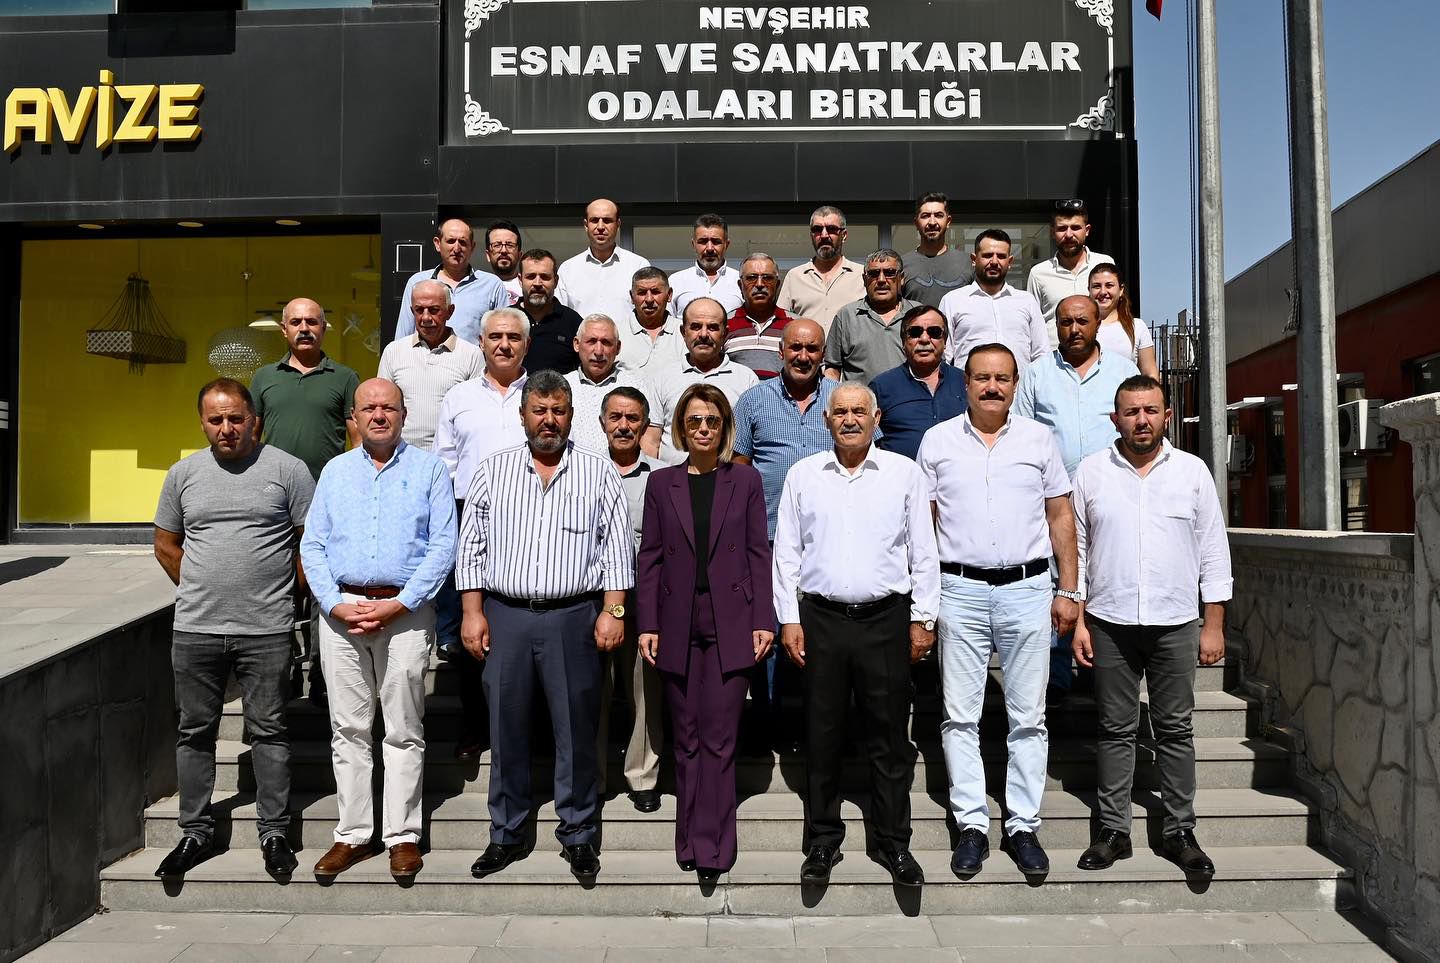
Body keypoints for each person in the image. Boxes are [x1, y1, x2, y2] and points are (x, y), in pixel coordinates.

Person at [458, 371, 633, 883]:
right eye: (540, 410)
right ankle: (506, 832)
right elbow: (471, 548)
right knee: (506, 728)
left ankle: (578, 834)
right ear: (523, 416)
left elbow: (616, 548)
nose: (549, 420)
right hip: (506, 615)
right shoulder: (492, 471)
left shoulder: (598, 472)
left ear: (572, 415)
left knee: (576, 731)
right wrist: (472, 612)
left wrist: (614, 612)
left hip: (573, 618)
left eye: (558, 410)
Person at [917, 343, 1080, 880]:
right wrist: (925, 600)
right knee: (959, 715)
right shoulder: (938, 441)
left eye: (1002, 378)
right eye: (982, 378)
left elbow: (1060, 515)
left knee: (1028, 716)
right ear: (965, 384)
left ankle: (1022, 825)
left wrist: (1069, 589)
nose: (992, 387)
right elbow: (924, 525)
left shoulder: (1038, 439)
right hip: (959, 588)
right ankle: (971, 824)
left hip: (1027, 589)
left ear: (1015, 384)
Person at [773, 383, 939, 889]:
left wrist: (924, 619)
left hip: (885, 620)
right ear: (826, 419)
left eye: (859, 411)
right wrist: (789, 618)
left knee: (888, 739)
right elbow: (787, 552)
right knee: (822, 735)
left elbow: (923, 551)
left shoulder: (904, 474)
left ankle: (894, 843)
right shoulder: (804, 475)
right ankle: (823, 840)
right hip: (821, 620)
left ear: (876, 417)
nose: (849, 419)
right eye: (840, 411)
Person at [152, 379, 314, 880]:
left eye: (236, 418)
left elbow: (311, 543)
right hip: (196, 628)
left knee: (269, 730)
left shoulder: (288, 470)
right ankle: (194, 832)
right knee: (194, 732)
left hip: (266, 629)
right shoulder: (183, 474)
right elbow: (165, 544)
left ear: (254, 420)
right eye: (216, 419)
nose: (226, 428)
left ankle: (275, 832)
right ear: (202, 423)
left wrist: (286, 594)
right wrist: (201, 587)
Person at [1072, 375, 1231, 878]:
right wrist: (1078, 620)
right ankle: (1113, 831)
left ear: (1166, 416)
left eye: (1150, 410)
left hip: (1175, 621)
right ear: (1115, 418)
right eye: (1131, 411)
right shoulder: (1091, 472)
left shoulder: (1192, 472)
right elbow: (1076, 552)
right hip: (1109, 620)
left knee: (1175, 729)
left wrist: (1213, 623)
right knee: (1115, 728)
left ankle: (1180, 831)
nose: (1141, 420)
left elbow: (1213, 550)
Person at [301, 378, 456, 880]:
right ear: (355, 417)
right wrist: (333, 603)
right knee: (348, 728)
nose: (379, 415)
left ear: (404, 415)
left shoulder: (429, 470)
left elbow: (443, 547)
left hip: (406, 612)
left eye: (388, 407)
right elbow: (313, 545)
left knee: (403, 727)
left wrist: (399, 604)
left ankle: (402, 835)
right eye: (369, 408)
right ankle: (352, 834)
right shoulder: (335, 471)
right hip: (342, 612)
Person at [636, 383, 773, 881]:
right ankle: (689, 840)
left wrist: (763, 619)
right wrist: (647, 623)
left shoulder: (745, 480)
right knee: (687, 736)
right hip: (676, 619)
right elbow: (650, 557)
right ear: (680, 427)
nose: (703, 429)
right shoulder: (661, 483)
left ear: (724, 428)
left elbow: (759, 551)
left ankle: (716, 845)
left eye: (712, 421)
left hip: (730, 619)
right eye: (694, 420)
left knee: (719, 736)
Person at [1014, 294, 1140, 706]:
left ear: (1098, 323)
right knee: (1057, 582)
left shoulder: (1123, 372)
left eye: (1082, 321)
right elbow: (1022, 436)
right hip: (1054, 499)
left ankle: (1099, 670)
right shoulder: (1037, 375)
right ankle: (1056, 678)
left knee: (1103, 578)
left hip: (1111, 495)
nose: (1074, 329)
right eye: (1066, 322)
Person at [732, 318, 835, 747]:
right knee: (769, 634)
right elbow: (737, 471)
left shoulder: (842, 400)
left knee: (822, 637)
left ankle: (815, 727)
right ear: (781, 351)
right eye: (795, 347)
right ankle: (768, 720)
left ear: (823, 354)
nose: (803, 356)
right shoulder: (754, 400)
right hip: (768, 538)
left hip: (829, 543)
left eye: (812, 349)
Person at [434, 306, 530, 759]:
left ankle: (529, 731)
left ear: (526, 344)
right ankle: (476, 727)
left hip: (533, 519)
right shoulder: (459, 397)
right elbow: (446, 463)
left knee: (524, 626)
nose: (504, 345)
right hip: (471, 517)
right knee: (473, 628)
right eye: (495, 337)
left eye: (513, 337)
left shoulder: (543, 391)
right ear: (481, 343)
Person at [597, 386, 666, 813]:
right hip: (593, 601)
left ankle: (643, 776)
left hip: (645, 601)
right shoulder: (583, 471)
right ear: (602, 422)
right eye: (616, 417)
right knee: (594, 691)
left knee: (646, 690)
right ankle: (593, 776)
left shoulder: (663, 476)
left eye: (633, 419)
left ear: (644, 425)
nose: (624, 426)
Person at [250, 297, 361, 481]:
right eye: (296, 322)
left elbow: (358, 441)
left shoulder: (346, 378)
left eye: (311, 322)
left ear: (323, 328)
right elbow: (251, 438)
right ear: (284, 329)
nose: (304, 329)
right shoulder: (263, 377)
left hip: (327, 484)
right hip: (275, 484)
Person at [377, 280, 485, 451]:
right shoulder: (394, 352)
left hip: (450, 457)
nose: (426, 318)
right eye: (419, 310)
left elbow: (476, 413)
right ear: (412, 311)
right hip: (401, 456)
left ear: (450, 311)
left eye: (434, 310)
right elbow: (382, 405)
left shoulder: (471, 355)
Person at [652, 297, 760, 465]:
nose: (703, 334)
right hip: (671, 478)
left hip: (726, 478)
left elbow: (749, 444)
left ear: (725, 333)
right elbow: (651, 441)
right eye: (695, 327)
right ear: (683, 332)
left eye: (712, 327)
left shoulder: (746, 379)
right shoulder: (662, 377)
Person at [939, 231, 1050, 374]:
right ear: (974, 259)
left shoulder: (1027, 301)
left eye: (1001, 256)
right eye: (987, 255)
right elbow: (943, 356)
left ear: (1010, 262)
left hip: (1020, 387)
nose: (994, 262)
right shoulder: (952, 301)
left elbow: (1041, 354)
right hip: (968, 387)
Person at [870, 305, 967, 461]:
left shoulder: (965, 382)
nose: (924, 339)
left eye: (934, 332)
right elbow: (869, 441)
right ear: (903, 342)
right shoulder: (881, 387)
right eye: (915, 332)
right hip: (902, 474)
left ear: (945, 341)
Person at [394, 218, 510, 345]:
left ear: (472, 247)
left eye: (463, 242)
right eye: (451, 241)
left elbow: (505, 334)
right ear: (437, 244)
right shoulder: (417, 283)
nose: (457, 248)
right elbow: (402, 338)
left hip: (473, 358)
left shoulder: (492, 286)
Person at [564, 314, 661, 458]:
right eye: (591, 341)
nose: (598, 351)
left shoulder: (636, 386)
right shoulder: (562, 387)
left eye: (606, 343)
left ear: (618, 347)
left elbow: (650, 441)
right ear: (576, 344)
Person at [824, 249, 922, 386]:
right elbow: (832, 369)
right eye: (874, 274)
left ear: (901, 278)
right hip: (860, 400)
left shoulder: (918, 315)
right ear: (865, 279)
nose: (881, 280)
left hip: (909, 399)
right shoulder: (847, 316)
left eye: (889, 273)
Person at [1026, 199, 1116, 345]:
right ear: (1052, 232)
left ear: (1087, 230)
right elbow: (1033, 324)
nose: (1068, 234)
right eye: (1062, 228)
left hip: (1099, 353)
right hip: (1054, 355)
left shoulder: (1104, 264)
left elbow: (1117, 311)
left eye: (1075, 227)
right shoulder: (1038, 273)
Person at [558, 198, 651, 322]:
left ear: (618, 224)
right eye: (594, 220)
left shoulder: (638, 266)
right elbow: (560, 317)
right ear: (586, 225)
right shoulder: (568, 269)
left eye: (607, 220)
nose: (600, 227)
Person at [777, 205, 865, 332]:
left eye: (831, 229)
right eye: (817, 229)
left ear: (844, 235)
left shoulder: (862, 275)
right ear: (811, 235)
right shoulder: (794, 277)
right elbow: (781, 323)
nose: (824, 235)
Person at [516, 248, 582, 375]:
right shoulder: (506, 320)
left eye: (545, 277)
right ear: (520, 280)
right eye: (530, 277)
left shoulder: (573, 322)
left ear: (556, 281)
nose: (537, 283)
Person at [726, 253, 791, 379]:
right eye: (751, 278)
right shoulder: (724, 325)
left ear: (777, 285)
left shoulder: (794, 324)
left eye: (767, 278)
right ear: (740, 285)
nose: (760, 284)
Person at [902, 192, 972, 308]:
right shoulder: (902, 265)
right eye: (925, 216)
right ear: (916, 223)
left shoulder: (968, 263)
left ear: (948, 221)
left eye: (939, 215)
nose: (932, 222)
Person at [1089, 264, 1159, 380]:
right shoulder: (1081, 328)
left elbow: (1150, 374)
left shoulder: (1137, 326)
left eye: (1109, 285)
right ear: (1089, 290)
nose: (1103, 292)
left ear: (1121, 290)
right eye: (1096, 286)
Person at [668, 213, 743, 319]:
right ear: (693, 244)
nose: (709, 248)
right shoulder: (676, 281)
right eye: (703, 242)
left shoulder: (741, 281)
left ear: (727, 244)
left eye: (716, 242)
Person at [617, 267, 683, 374]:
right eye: (642, 293)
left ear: (669, 295)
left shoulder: (685, 333)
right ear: (632, 297)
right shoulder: (616, 334)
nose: (649, 299)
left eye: (655, 292)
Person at [483, 220, 525, 305]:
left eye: (510, 245)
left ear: (519, 255)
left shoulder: (529, 286)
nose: (504, 250)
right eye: (497, 245)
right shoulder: (479, 287)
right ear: (488, 255)